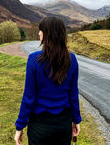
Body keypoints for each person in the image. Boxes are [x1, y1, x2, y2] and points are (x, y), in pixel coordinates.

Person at [14, 16, 81, 145]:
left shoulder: (34, 59)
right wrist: (76, 120)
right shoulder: (71, 59)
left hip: (40, 126)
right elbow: (73, 95)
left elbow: (29, 97)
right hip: (63, 124)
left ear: (48, 34)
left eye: (41, 30)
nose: (39, 33)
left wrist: (20, 127)